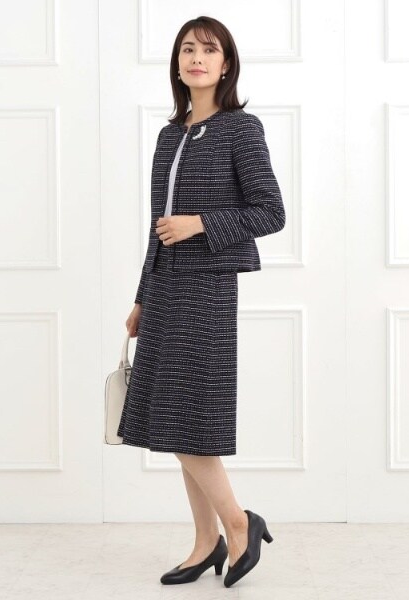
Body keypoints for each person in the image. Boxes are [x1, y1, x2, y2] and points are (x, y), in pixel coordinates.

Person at [117, 15, 285, 588]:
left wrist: (199, 223)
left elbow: (271, 212)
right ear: (177, 62)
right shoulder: (170, 134)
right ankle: (205, 540)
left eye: (209, 50)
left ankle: (238, 523)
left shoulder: (241, 129)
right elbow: (157, 226)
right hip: (164, 289)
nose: (196, 58)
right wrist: (142, 297)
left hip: (207, 286)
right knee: (175, 420)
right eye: (187, 49)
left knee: (186, 416)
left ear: (226, 63)